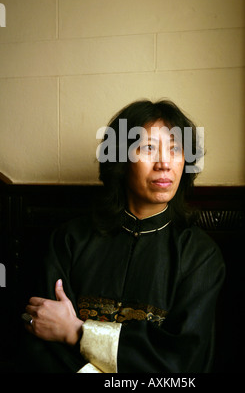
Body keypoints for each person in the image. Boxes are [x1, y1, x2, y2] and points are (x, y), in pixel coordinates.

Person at [18, 99, 225, 373]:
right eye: (148, 147)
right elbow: (41, 334)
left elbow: (183, 363)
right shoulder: (69, 241)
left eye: (175, 149)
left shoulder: (199, 255)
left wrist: (77, 332)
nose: (164, 163)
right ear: (119, 158)